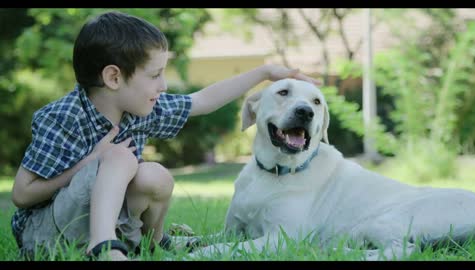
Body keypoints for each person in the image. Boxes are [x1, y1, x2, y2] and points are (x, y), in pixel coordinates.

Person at [10, 10, 320, 261]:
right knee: (119, 155)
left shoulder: (140, 107)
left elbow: (202, 101)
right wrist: (93, 160)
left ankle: (154, 244)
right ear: (114, 77)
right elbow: (22, 195)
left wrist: (264, 73)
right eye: (155, 75)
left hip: (101, 221)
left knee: (155, 176)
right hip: (43, 236)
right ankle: (103, 247)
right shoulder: (62, 117)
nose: (164, 86)